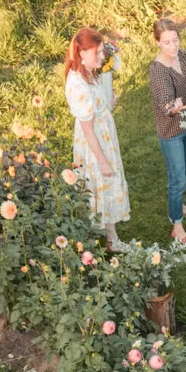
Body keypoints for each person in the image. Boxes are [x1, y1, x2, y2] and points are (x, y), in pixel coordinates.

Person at [64, 27, 130, 251]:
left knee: (108, 186)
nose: (102, 57)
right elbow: (87, 129)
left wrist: (107, 104)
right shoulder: (77, 85)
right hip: (95, 146)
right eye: (97, 53)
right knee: (100, 185)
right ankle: (99, 238)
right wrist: (102, 161)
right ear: (82, 54)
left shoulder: (88, 74)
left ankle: (111, 237)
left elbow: (95, 109)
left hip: (104, 136)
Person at [148, 19, 186, 248]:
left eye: (175, 40)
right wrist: (174, 107)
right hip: (172, 131)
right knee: (177, 177)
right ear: (158, 42)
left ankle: (177, 205)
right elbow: (167, 106)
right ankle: (177, 227)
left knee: (185, 168)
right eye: (167, 42)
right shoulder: (159, 71)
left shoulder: (182, 56)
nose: (173, 46)